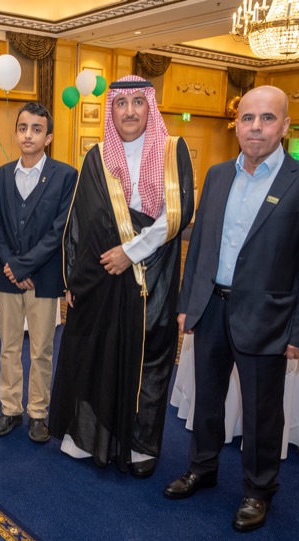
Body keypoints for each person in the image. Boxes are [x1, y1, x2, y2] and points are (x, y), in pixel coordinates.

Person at [164, 85, 299, 532]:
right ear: (236, 125)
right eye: (247, 118)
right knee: (207, 398)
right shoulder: (218, 174)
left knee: (262, 412)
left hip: (267, 317)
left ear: (285, 126)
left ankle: (259, 490)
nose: (256, 127)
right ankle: (202, 468)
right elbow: (201, 245)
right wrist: (188, 304)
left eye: (267, 118)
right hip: (211, 309)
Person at [49, 75, 194, 477]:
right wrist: (73, 279)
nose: (129, 111)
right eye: (121, 103)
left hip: (153, 271)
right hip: (102, 275)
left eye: (137, 102)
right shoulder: (96, 155)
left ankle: (141, 444)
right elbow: (80, 220)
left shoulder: (172, 149)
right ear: (110, 110)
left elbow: (178, 212)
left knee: (149, 355)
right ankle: (88, 437)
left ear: (150, 106)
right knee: (98, 351)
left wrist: (130, 253)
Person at [0, 102, 77, 443]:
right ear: (15, 133)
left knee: (41, 349)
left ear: (48, 137)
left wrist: (24, 266)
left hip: (45, 277)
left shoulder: (65, 175)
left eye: (36, 129)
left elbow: (60, 230)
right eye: (23, 128)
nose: (28, 135)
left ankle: (38, 413)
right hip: (8, 276)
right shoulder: (0, 175)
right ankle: (10, 409)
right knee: (8, 347)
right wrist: (12, 266)